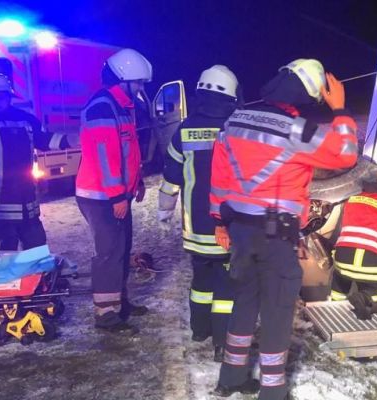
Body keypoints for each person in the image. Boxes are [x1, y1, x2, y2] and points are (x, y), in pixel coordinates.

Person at [210, 59, 358, 399]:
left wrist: (219, 222)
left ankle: (231, 379)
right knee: (277, 309)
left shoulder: (235, 119)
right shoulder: (298, 130)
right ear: (307, 94)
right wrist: (340, 109)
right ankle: (272, 391)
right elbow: (346, 154)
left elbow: (219, 178)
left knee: (244, 302)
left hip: (240, 231)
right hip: (275, 236)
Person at [158, 65, 241, 361]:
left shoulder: (185, 128)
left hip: (195, 228)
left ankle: (199, 329)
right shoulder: (236, 127)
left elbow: (171, 173)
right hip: (227, 226)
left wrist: (164, 208)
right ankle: (222, 342)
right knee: (226, 287)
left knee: (201, 281)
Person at [75, 48, 151, 335]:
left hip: (115, 194)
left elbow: (128, 152)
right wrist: (118, 195)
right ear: (123, 79)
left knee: (121, 250)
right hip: (100, 196)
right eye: (139, 83)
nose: (141, 88)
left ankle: (120, 304)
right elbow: (105, 158)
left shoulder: (121, 106)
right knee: (108, 253)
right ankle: (106, 314)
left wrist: (137, 183)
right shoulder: (102, 107)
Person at [0, 69, 76, 251]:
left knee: (37, 244)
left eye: (2, 96)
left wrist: (68, 140)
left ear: (9, 97)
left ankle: (38, 279)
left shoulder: (25, 119)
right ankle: (7, 280)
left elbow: (43, 139)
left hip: (24, 199)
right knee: (4, 251)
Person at [330, 171, 377, 320]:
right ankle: (364, 299)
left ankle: (333, 310)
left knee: (341, 283)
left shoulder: (352, 199)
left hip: (341, 255)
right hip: (365, 257)